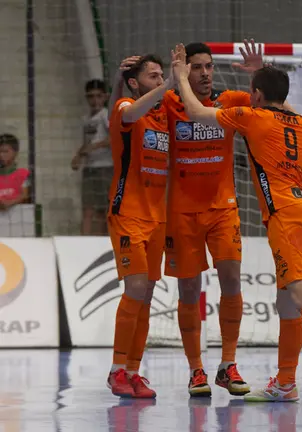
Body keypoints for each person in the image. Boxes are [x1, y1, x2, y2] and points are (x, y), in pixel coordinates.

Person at [171, 41, 302, 405]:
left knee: (301, 296)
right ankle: (286, 382)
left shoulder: (251, 116)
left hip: (286, 217)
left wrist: (178, 73)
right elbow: (279, 101)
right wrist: (261, 72)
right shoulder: (300, 123)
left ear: (255, 95)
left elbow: (193, 110)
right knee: (285, 304)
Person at [162, 42, 254, 398]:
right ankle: (195, 369)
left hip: (223, 208)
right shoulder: (171, 102)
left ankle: (227, 364)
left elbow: (279, 108)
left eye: (208, 66)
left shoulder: (230, 100)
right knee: (188, 290)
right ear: (186, 72)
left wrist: (255, 75)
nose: (204, 73)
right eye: (196, 67)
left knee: (231, 279)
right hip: (181, 212)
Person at [106, 53, 174, 399]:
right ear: (135, 82)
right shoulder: (126, 107)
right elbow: (129, 112)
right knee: (134, 289)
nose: (160, 79)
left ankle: (133, 371)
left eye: (163, 74)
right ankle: (117, 369)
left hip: (157, 217)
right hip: (128, 213)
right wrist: (169, 85)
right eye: (153, 75)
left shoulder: (163, 113)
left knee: (146, 295)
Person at [72, 79, 111, 235]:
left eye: (98, 96)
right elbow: (87, 141)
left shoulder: (106, 115)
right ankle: (85, 242)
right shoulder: (86, 118)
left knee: (105, 209)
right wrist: (78, 156)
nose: (95, 100)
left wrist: (91, 148)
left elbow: (114, 138)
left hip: (106, 166)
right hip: (90, 167)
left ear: (105, 97)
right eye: (91, 97)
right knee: (88, 208)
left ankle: (106, 242)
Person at [0, 134, 30, 211]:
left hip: (18, 216)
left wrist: (10, 203)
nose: (1, 155)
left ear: (16, 152)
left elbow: (25, 195)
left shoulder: (23, 173)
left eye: (5, 151)